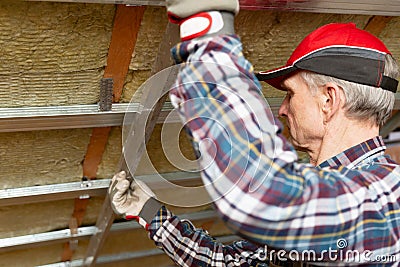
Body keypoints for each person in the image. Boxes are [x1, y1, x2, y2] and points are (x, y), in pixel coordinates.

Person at [109, 0, 400, 266]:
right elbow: (228, 262)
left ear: (329, 100)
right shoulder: (327, 203)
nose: (283, 110)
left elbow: (265, 199)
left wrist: (208, 32)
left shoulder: (389, 198)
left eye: (290, 94)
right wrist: (148, 213)